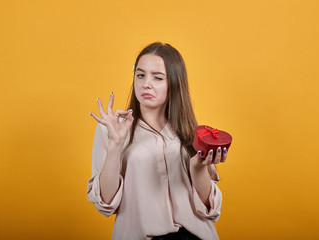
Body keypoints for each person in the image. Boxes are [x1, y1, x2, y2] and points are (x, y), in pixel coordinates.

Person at [87, 42, 227, 240]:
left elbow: (210, 208)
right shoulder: (111, 129)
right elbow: (106, 203)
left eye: (158, 77)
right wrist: (115, 146)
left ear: (174, 84)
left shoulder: (191, 132)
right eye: (141, 75)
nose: (146, 84)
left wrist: (198, 169)